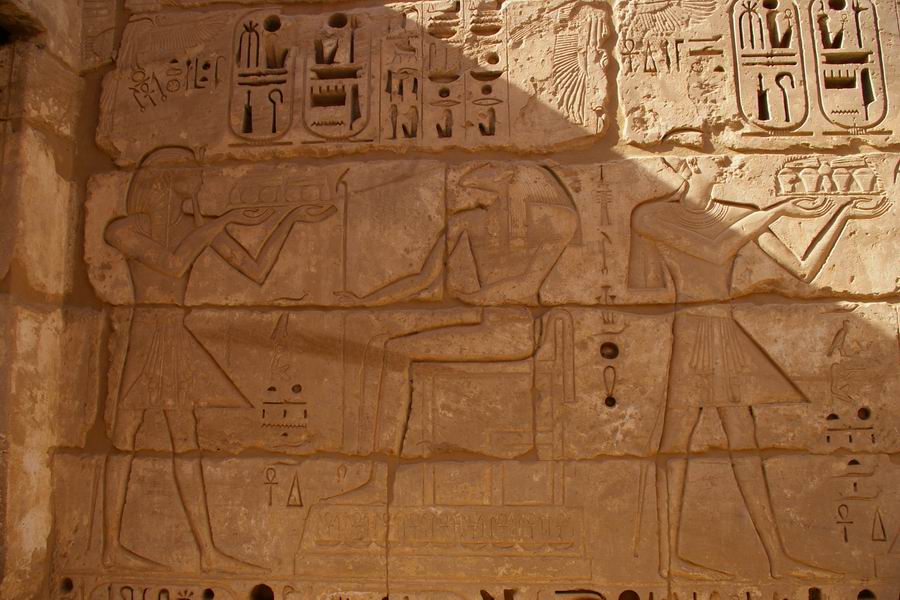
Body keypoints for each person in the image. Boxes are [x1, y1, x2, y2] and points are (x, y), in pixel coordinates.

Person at [628, 156, 889, 580]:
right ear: (689, 165)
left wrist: (841, 214)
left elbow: (803, 270)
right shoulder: (652, 216)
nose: (725, 167)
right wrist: (776, 211)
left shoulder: (740, 214)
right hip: (691, 333)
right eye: (717, 162)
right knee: (676, 444)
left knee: (746, 446)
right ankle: (669, 560)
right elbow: (713, 250)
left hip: (725, 334)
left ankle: (777, 560)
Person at [103, 146, 336, 571]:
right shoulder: (126, 228)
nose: (200, 178)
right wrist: (222, 222)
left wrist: (289, 218)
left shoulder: (197, 228)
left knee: (185, 441)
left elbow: (256, 269)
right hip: (145, 334)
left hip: (175, 334)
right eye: (191, 171)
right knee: (125, 437)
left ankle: (208, 554)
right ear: (165, 178)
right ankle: (109, 548)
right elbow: (173, 264)